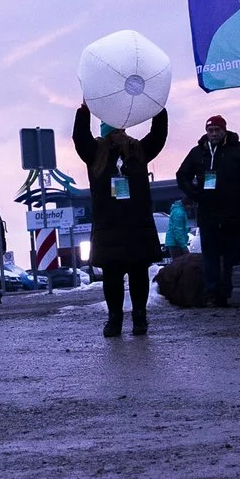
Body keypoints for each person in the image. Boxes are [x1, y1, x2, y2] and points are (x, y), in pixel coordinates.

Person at [71, 104, 168, 337]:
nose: (120, 135)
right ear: (106, 133)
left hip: (137, 225)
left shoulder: (138, 150)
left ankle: (139, 317)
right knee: (112, 277)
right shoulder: (94, 152)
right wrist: (84, 111)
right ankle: (114, 319)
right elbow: (79, 136)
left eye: (122, 131)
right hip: (109, 226)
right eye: (115, 131)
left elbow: (158, 135)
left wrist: (157, 107)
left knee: (138, 274)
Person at [175, 114, 240, 307]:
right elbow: (182, 175)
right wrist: (195, 194)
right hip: (208, 213)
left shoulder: (239, 150)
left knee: (232, 255)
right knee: (210, 256)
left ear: (224, 130)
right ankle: (212, 293)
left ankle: (228, 291)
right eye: (210, 130)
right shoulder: (198, 152)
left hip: (233, 212)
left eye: (217, 130)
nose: (213, 134)